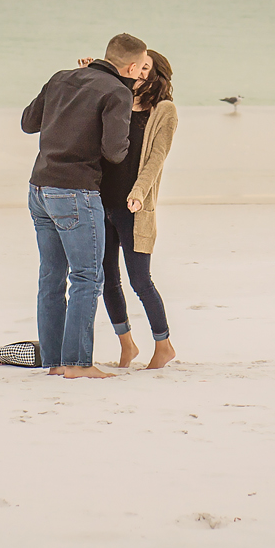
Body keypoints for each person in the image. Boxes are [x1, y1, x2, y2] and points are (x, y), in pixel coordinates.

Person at [21, 33, 148, 379]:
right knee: (87, 277)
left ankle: (55, 362)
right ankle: (77, 364)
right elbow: (114, 151)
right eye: (140, 69)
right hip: (75, 192)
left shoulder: (61, 77)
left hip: (39, 188)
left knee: (51, 278)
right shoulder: (117, 93)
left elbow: (28, 123)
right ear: (132, 66)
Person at [100, 48, 179, 369]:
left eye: (148, 68)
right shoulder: (118, 99)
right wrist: (96, 69)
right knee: (107, 279)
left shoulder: (164, 111)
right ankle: (127, 344)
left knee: (140, 280)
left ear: (157, 73)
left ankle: (164, 345)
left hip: (134, 207)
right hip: (101, 202)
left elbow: (156, 159)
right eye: (138, 67)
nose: (142, 72)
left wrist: (138, 193)